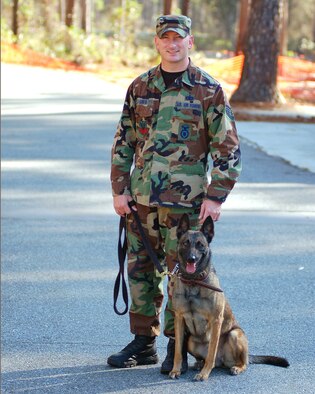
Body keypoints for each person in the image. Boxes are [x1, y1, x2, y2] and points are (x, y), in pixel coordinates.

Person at [108, 15, 241, 374]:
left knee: (181, 275)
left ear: (189, 42)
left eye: (178, 39)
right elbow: (124, 142)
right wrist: (120, 190)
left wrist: (216, 197)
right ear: (157, 43)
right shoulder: (140, 87)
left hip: (187, 207)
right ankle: (143, 342)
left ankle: (174, 345)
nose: (172, 44)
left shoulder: (207, 88)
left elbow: (227, 149)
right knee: (140, 271)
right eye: (165, 39)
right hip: (141, 202)